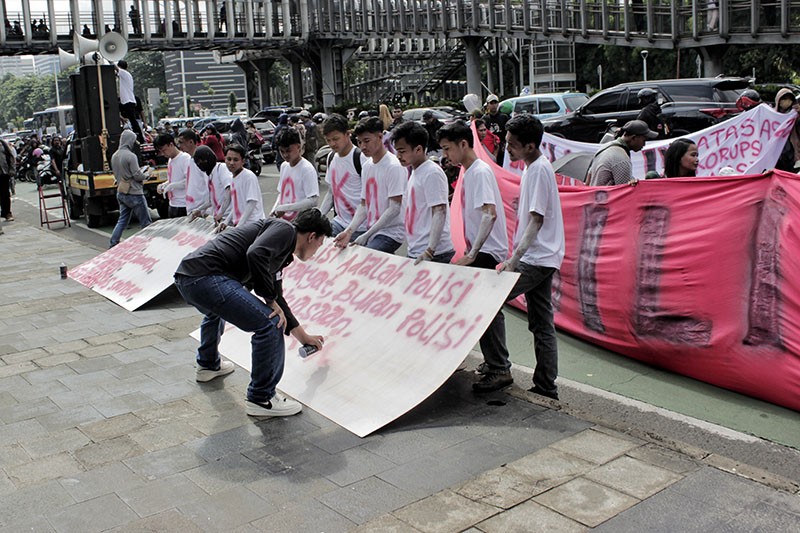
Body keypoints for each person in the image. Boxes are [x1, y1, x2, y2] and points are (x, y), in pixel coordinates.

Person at [173, 208, 333, 417]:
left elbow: (278, 298)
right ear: (312, 237)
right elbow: (256, 253)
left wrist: (304, 337)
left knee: (217, 312)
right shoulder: (285, 230)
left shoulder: (281, 251)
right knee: (270, 323)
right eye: (320, 244)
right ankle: (261, 398)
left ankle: (208, 365)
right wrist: (270, 300)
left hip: (189, 277)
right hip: (206, 277)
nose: (317, 250)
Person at [478, 114, 565, 397]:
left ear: (530, 145)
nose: (508, 149)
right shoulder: (531, 168)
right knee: (541, 322)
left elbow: (536, 220)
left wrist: (514, 259)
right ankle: (545, 385)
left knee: (488, 302)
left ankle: (499, 367)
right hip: (540, 256)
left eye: (513, 144)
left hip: (536, 258)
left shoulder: (539, 170)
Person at [437, 121, 510, 380]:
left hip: (487, 251)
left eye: (448, 149)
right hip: (480, 249)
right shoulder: (470, 171)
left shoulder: (479, 172)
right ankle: (495, 363)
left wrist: (472, 253)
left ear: (463, 144)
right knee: (485, 311)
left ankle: (499, 367)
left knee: (486, 311)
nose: (445, 155)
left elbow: (489, 214)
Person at [334, 116, 407, 253]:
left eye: (367, 141)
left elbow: (395, 208)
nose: (363, 146)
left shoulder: (393, 166)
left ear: (380, 137)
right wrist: (349, 231)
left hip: (391, 233)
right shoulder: (367, 166)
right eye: (359, 142)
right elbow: (364, 204)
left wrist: (366, 235)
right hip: (372, 230)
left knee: (365, 257)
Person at [392, 121, 454, 264]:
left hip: (434, 254)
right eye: (397, 151)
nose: (398, 156)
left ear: (418, 149)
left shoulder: (431, 173)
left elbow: (440, 211)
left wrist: (430, 250)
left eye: (402, 151)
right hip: (417, 250)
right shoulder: (416, 171)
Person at [319, 114, 365, 240]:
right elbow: (331, 192)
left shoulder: (361, 158)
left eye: (335, 139)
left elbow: (371, 198)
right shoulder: (331, 157)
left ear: (347, 134)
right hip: (338, 223)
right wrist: (318, 218)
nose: (332, 144)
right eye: (328, 140)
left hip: (362, 227)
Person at [109, 130, 152, 247]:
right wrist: (147, 175)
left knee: (122, 220)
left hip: (121, 192)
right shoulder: (131, 156)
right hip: (135, 192)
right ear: (130, 141)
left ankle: (113, 242)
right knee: (145, 222)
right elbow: (137, 175)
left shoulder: (114, 155)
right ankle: (148, 244)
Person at [586, 120, 657, 186]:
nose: (644, 145)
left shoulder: (605, 147)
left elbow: (588, 181)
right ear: (634, 138)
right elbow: (625, 193)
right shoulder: (621, 159)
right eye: (644, 140)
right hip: (607, 198)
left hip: (595, 196)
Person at [271, 127, 319, 221]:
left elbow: (313, 201)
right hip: (284, 221)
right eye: (282, 151)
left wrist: (285, 208)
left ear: (298, 146)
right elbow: (281, 193)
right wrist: (275, 209)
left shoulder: (306, 169)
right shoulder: (284, 166)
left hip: (301, 222)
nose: (285, 155)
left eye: (288, 151)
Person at [220, 143, 265, 231]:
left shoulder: (249, 176)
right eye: (229, 159)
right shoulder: (233, 178)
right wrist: (226, 221)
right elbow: (238, 205)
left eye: (235, 160)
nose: (231, 163)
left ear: (243, 161)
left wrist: (239, 226)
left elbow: (251, 203)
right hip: (241, 226)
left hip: (252, 226)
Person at [189, 145, 232, 223]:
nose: (199, 165)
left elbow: (229, 190)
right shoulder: (210, 175)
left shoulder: (221, 168)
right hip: (219, 218)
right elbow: (211, 200)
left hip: (228, 218)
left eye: (200, 162)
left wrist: (221, 213)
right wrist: (199, 210)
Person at [154, 133, 191, 217]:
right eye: (161, 151)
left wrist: (172, 186)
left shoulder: (185, 158)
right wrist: (164, 184)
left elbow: (190, 180)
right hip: (173, 204)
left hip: (184, 204)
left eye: (164, 150)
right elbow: (174, 179)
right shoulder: (171, 160)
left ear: (171, 144)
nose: (163, 154)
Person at [176, 129, 209, 215]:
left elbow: (209, 185)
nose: (179, 145)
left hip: (202, 209)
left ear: (191, 142)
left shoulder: (201, 160)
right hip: (193, 208)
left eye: (181, 142)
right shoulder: (190, 160)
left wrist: (205, 209)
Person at [116, 60, 144, 143]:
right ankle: (138, 136)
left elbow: (116, 69)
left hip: (128, 100)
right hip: (127, 100)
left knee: (133, 120)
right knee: (132, 120)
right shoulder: (125, 76)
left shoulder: (124, 73)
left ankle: (140, 138)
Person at [773, 88, 800, 172]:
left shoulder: (795, 114)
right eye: (784, 99)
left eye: (789, 99)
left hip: (791, 153)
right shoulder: (771, 115)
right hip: (775, 154)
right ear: (778, 100)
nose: (787, 101)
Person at [482, 94, 510, 165]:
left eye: (495, 103)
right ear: (487, 105)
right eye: (491, 103)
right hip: (489, 150)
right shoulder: (484, 119)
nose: (494, 105)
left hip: (503, 149)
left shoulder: (504, 117)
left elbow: (509, 133)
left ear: (498, 104)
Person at [0, 136, 16, 223]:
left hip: (3, 173)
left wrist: (12, 169)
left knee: (5, 194)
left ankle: (7, 213)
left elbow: (11, 157)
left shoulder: (3, 143)